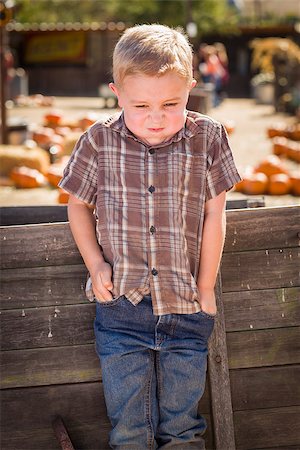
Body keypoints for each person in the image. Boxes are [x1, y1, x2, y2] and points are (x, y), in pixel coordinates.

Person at [59, 23, 241, 449]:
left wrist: (207, 287)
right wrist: (95, 263)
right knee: (128, 430)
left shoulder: (208, 138)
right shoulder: (98, 141)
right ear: (116, 93)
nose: (156, 117)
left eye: (171, 103)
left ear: (191, 89)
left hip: (187, 305)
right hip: (121, 306)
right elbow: (77, 204)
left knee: (182, 427)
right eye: (140, 105)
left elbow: (216, 213)